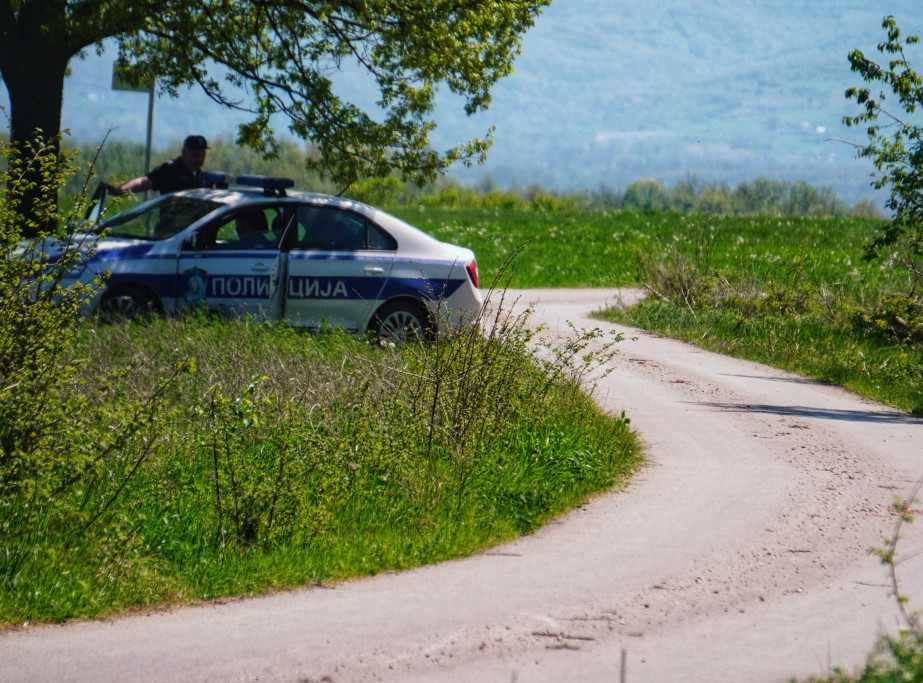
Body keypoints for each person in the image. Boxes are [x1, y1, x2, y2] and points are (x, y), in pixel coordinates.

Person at [105, 135, 210, 196]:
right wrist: (120, 190)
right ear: (184, 152)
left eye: (203, 155)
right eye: (196, 155)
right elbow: (143, 182)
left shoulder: (204, 177)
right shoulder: (170, 170)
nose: (200, 159)